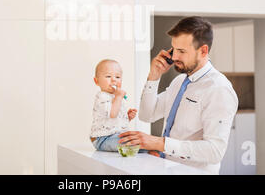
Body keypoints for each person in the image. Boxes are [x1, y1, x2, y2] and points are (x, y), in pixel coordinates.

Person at [118, 16, 238, 174]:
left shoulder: (219, 89)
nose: (174, 57)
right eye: (174, 49)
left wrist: (159, 143)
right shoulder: (179, 81)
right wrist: (154, 75)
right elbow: (147, 115)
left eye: (181, 51)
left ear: (203, 51)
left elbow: (215, 151)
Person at [89, 59, 138, 151]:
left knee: (136, 138)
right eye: (108, 76)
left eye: (118, 77)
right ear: (96, 81)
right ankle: (149, 150)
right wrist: (119, 97)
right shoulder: (102, 96)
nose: (113, 80)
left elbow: (115, 119)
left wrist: (127, 117)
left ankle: (150, 151)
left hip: (115, 136)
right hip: (103, 138)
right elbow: (112, 114)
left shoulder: (116, 96)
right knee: (131, 143)